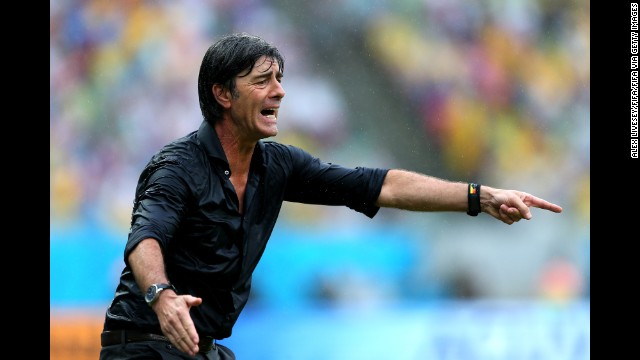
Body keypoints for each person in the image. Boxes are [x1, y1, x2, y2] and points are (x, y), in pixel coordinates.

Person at [99, 32, 563, 360]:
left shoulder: (276, 165)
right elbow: (145, 238)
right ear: (222, 93)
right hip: (142, 345)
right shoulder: (178, 165)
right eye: (263, 80)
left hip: (202, 350)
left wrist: (478, 197)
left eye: (280, 78)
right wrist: (162, 296)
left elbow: (380, 185)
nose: (279, 91)